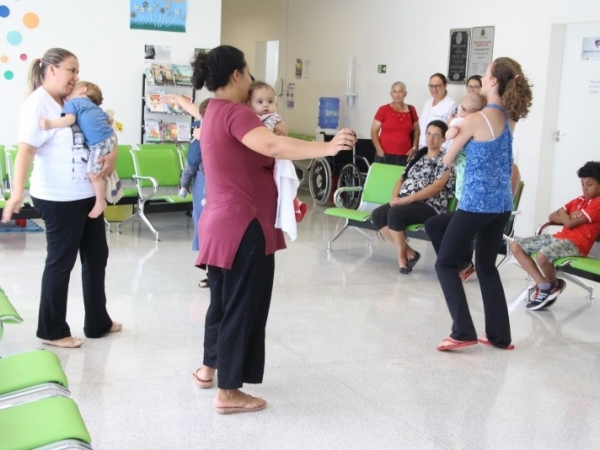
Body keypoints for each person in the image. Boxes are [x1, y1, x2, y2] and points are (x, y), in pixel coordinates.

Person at [189, 45, 356, 414]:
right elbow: (274, 145)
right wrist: (327, 147)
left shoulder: (213, 111)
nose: (250, 81)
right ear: (236, 75)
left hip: (221, 224)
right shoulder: (235, 112)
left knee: (222, 303)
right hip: (241, 226)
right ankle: (229, 392)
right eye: (248, 73)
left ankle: (209, 369)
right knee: (242, 308)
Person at [1, 48, 121, 348]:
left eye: (77, 71)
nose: (76, 77)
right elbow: (25, 150)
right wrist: (17, 192)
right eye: (71, 70)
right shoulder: (37, 104)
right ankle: (51, 330)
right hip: (58, 197)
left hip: (85, 195)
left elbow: (102, 129)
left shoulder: (71, 100)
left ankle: (98, 321)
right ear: (51, 69)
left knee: (97, 256)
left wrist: (113, 154)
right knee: (61, 261)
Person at [435, 57, 533, 351]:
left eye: (487, 73)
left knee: (445, 263)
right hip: (502, 204)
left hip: (476, 204)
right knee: (487, 267)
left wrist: (455, 135)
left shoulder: (475, 119)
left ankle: (463, 331)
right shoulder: (510, 117)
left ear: (492, 82)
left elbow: (448, 158)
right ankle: (500, 337)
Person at [510, 161, 600, 310]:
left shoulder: (597, 203)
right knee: (515, 246)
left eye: (589, 184)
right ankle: (544, 285)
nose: (584, 188)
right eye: (582, 184)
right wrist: (568, 215)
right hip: (559, 238)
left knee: (542, 255)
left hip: (576, 244)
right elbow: (552, 216)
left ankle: (554, 284)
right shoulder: (579, 200)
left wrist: (565, 215)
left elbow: (569, 224)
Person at [371, 120, 454, 273]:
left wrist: (407, 200)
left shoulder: (446, 160)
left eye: (436, 136)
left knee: (395, 214)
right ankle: (410, 253)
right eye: (429, 134)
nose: (431, 139)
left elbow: (437, 187)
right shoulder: (418, 156)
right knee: (377, 215)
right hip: (405, 202)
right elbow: (401, 179)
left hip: (429, 205)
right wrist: (394, 198)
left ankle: (401, 258)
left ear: (444, 139)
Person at [39, 80, 119, 219]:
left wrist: (50, 123)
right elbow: (110, 121)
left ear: (82, 90)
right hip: (110, 138)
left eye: (72, 88)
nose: (68, 91)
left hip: (99, 143)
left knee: (93, 174)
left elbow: (69, 120)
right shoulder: (94, 107)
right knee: (99, 171)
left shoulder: (74, 103)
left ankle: (100, 201)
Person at [162, 94, 212, 288]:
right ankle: (212, 270)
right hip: (202, 175)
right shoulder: (208, 113)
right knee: (202, 221)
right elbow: (198, 111)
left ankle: (220, 272)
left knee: (215, 224)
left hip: (218, 176)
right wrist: (177, 99)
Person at [248, 80, 307, 232]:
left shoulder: (273, 118)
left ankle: (294, 207)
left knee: (282, 186)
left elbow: (269, 141)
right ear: (249, 103)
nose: (266, 105)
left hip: (275, 161)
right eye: (260, 102)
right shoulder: (249, 117)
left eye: (270, 101)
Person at [371, 81, 420, 166]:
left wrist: (415, 148)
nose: (397, 95)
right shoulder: (383, 109)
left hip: (405, 156)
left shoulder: (411, 110)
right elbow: (374, 131)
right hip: (385, 155)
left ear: (405, 94)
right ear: (391, 94)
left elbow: (417, 130)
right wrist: (379, 150)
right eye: (395, 92)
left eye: (400, 92)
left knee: (403, 179)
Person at [418, 73, 457, 150]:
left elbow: (450, 132)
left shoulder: (452, 105)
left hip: (439, 150)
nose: (434, 89)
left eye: (437, 86)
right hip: (422, 148)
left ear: (445, 85)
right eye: (431, 86)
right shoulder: (428, 102)